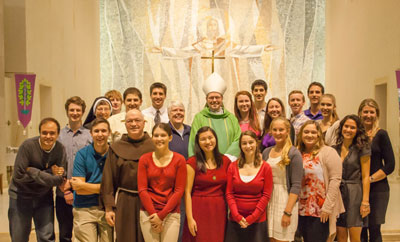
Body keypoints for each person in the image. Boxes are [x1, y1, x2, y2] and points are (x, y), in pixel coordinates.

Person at [100, 109, 155, 242]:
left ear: (144, 123)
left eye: (137, 120)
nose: (134, 124)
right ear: (125, 124)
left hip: (150, 201)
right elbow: (108, 179)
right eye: (130, 121)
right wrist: (109, 208)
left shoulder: (154, 146)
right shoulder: (116, 147)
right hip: (125, 202)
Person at [8, 118, 66, 242]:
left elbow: (59, 179)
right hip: (20, 196)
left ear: (58, 134)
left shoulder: (60, 149)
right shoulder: (27, 146)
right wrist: (50, 173)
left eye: (52, 133)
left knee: (47, 237)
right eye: (44, 133)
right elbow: (18, 177)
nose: (48, 136)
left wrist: (32, 171)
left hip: (44, 198)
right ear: (39, 132)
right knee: (19, 237)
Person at [296, 120, 344, 242]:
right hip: (299, 209)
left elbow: (335, 180)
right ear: (301, 134)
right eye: (306, 132)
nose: (309, 135)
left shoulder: (328, 152)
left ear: (318, 135)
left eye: (313, 132)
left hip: (320, 210)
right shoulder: (296, 153)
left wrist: (327, 207)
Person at [138, 123, 187, 242]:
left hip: (171, 213)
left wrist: (161, 216)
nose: (159, 139)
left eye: (163, 135)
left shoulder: (179, 160)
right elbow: (142, 190)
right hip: (148, 213)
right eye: (156, 135)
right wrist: (154, 215)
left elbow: (179, 191)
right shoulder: (144, 159)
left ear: (170, 137)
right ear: (152, 138)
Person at [182, 127, 230, 242]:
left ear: (216, 139)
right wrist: (189, 218)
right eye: (203, 139)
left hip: (219, 210)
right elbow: (187, 192)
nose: (208, 142)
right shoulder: (192, 162)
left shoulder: (226, 161)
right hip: (198, 209)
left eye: (210, 137)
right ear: (198, 143)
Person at [225, 131, 273, 242]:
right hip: (235, 221)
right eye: (244, 143)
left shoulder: (266, 167)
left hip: (257, 222)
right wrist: (237, 216)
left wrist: (252, 218)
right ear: (240, 146)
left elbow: (266, 195)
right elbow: (229, 193)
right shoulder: (233, 166)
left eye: (251, 142)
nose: (248, 146)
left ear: (256, 143)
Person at [358, 99, 395, 242]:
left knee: (374, 229)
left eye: (371, 112)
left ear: (376, 114)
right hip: (359, 188)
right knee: (360, 228)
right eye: (365, 111)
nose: (368, 115)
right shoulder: (356, 135)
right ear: (360, 113)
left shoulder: (381, 135)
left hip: (378, 189)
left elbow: (390, 165)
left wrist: (370, 179)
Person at [70, 118, 113, 242]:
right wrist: (106, 189)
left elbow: (115, 187)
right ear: (91, 133)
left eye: (104, 131)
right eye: (96, 131)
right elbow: (78, 189)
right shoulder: (82, 154)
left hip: (107, 209)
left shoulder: (114, 154)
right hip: (84, 209)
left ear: (109, 133)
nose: (100, 134)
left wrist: (85, 186)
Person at [262, 117, 304, 242]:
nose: (278, 133)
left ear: (287, 131)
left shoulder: (294, 153)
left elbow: (296, 186)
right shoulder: (266, 152)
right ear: (270, 131)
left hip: (285, 201)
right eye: (275, 129)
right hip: (269, 201)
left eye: (281, 130)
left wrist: (288, 212)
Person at [56, 96, 92, 242]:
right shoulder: (59, 135)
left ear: (83, 112)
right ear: (67, 112)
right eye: (72, 110)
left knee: (83, 233)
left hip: (84, 191)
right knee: (65, 233)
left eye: (78, 110)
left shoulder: (90, 136)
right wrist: (64, 188)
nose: (75, 113)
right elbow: (54, 163)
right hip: (62, 190)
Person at [333, 115, 371, 242]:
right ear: (341, 127)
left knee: (355, 237)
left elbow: (366, 177)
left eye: (352, 127)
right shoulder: (334, 149)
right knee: (340, 236)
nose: (348, 130)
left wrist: (365, 202)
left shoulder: (362, 148)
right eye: (346, 126)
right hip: (338, 194)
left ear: (357, 130)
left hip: (355, 194)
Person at [189, 72, 241, 161]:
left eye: (217, 97)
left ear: (222, 98)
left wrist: (227, 159)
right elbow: (194, 141)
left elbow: (238, 139)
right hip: (206, 164)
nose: (214, 100)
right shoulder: (199, 118)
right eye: (211, 98)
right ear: (206, 99)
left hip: (229, 163)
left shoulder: (231, 118)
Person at [167, 100, 191, 242]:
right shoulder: (165, 132)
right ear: (169, 114)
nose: (178, 113)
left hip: (191, 182)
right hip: (172, 184)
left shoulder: (191, 130)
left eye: (181, 110)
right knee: (176, 220)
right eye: (174, 110)